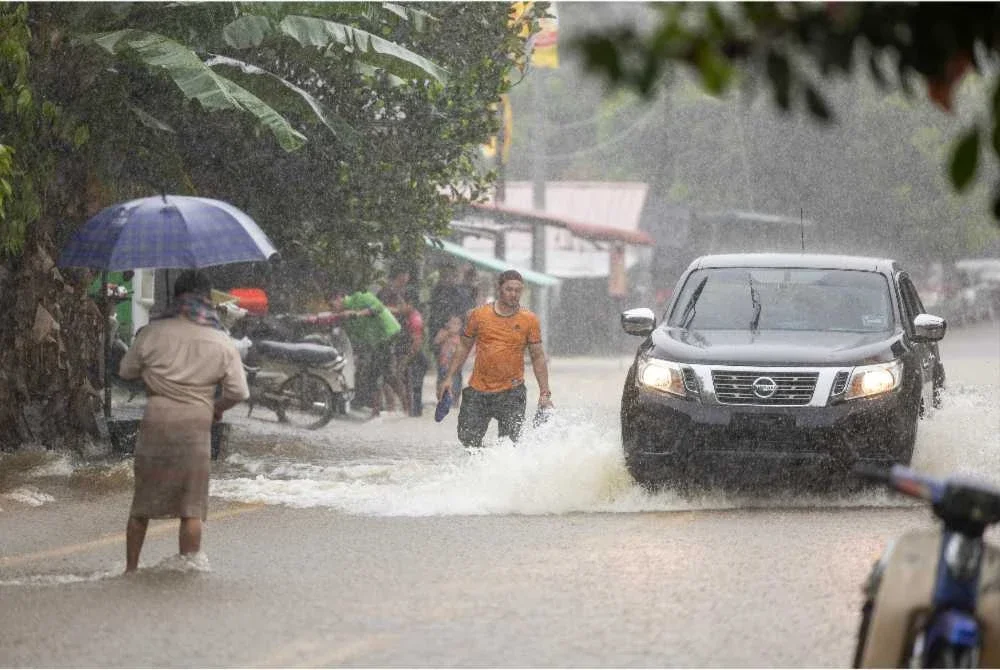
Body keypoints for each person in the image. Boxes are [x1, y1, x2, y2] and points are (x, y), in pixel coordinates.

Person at [118, 269, 249, 573]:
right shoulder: (220, 340)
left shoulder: (152, 332)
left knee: (142, 506)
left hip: (157, 420)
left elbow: (126, 371)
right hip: (196, 424)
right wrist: (217, 408)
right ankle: (186, 572)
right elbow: (239, 391)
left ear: (175, 296)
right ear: (208, 298)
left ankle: (130, 570)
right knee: (191, 509)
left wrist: (156, 375)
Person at [437, 269, 554, 449]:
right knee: (467, 439)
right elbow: (464, 346)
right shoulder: (479, 315)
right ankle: (483, 469)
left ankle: (500, 471)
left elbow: (538, 357)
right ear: (499, 289)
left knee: (509, 446)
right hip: (478, 390)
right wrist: (449, 378)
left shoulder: (529, 320)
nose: (513, 294)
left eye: (517, 290)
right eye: (509, 289)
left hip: (512, 392)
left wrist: (544, 393)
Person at [328, 286, 401, 418]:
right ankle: (381, 411)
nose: (331, 308)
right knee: (376, 376)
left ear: (339, 297)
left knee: (386, 375)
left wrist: (357, 313)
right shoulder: (344, 317)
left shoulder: (361, 297)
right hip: (375, 342)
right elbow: (354, 338)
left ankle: (405, 408)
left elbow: (379, 307)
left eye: (331, 304)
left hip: (388, 334)